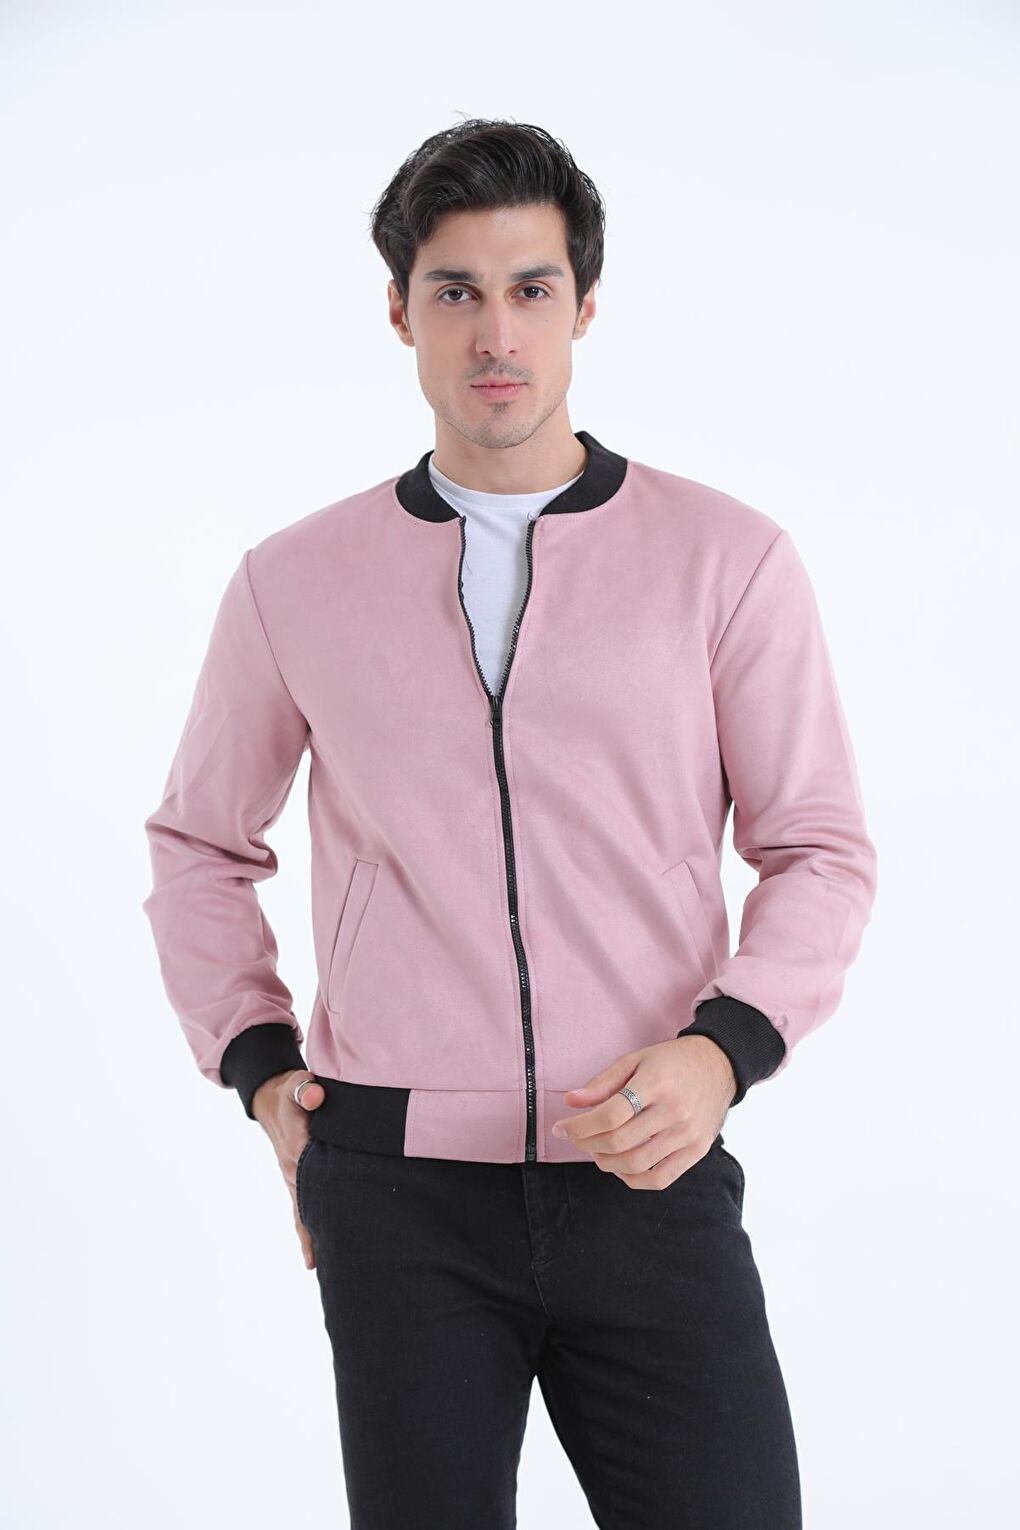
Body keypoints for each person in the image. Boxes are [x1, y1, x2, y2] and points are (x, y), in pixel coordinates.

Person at [142, 117, 878, 1529]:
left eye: (532, 288)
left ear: (585, 306)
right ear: (400, 311)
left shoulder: (725, 561)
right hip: (396, 1193)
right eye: (457, 291)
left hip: (644, 1164)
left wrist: (726, 1052)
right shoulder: (293, 581)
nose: (497, 332)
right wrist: (258, 1063)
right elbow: (199, 846)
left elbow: (819, 846)